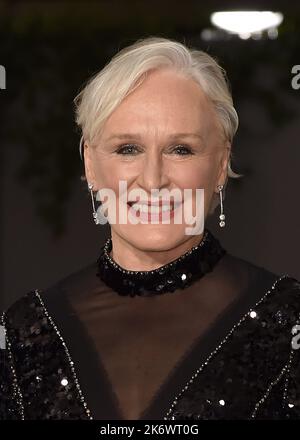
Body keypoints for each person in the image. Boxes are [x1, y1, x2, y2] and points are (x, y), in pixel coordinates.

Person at [1, 36, 300, 421]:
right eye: (128, 149)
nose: (154, 180)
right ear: (91, 164)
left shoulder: (287, 319)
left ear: (221, 163)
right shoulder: (26, 330)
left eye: (181, 149)